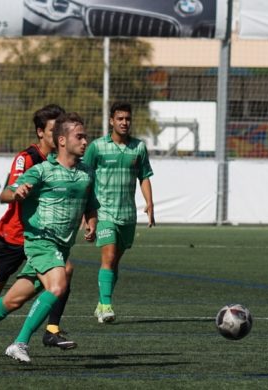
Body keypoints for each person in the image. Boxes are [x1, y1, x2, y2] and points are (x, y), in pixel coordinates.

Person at [0, 112, 98, 364]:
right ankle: (20, 342)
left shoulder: (86, 173)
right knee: (58, 284)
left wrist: (91, 223)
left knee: (13, 300)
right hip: (40, 241)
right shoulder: (41, 171)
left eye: (85, 137)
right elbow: (5, 194)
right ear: (62, 140)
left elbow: (91, 204)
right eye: (79, 137)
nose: (85, 142)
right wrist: (17, 194)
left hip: (61, 246)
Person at [82, 101, 155, 324]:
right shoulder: (97, 147)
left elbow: (144, 176)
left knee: (114, 263)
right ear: (111, 121)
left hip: (127, 215)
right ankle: (106, 306)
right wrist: (87, 215)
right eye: (120, 118)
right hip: (104, 213)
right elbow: (84, 177)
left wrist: (150, 204)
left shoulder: (139, 148)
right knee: (109, 257)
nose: (124, 122)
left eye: (128, 119)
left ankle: (102, 303)